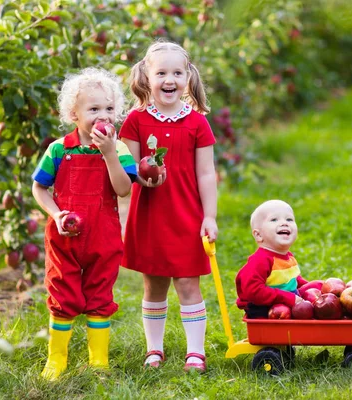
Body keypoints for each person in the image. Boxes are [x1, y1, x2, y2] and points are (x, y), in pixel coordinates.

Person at [31, 67, 137, 381]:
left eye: (109, 109)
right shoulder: (59, 150)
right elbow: (39, 187)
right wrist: (56, 214)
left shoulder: (117, 149)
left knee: (100, 295)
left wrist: (108, 155)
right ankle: (56, 360)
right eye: (93, 109)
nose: (102, 115)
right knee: (62, 295)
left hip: (103, 236)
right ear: (74, 114)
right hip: (64, 236)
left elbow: (123, 189)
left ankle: (98, 361)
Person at [119, 41, 218, 373]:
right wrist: (143, 177)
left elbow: (206, 173)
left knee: (189, 283)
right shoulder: (136, 121)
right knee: (155, 282)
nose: (169, 80)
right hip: (151, 214)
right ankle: (154, 349)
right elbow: (129, 168)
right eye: (161, 72)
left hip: (187, 214)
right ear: (147, 77)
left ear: (188, 77)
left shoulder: (197, 123)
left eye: (177, 72)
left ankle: (195, 351)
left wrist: (210, 216)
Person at [235, 200, 323, 318]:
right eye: (274, 220)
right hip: (265, 309)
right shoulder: (260, 260)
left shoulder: (288, 257)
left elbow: (292, 280)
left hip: (288, 301)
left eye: (289, 219)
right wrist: (289, 298)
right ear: (258, 235)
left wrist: (314, 290)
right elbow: (254, 291)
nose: (284, 223)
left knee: (320, 285)